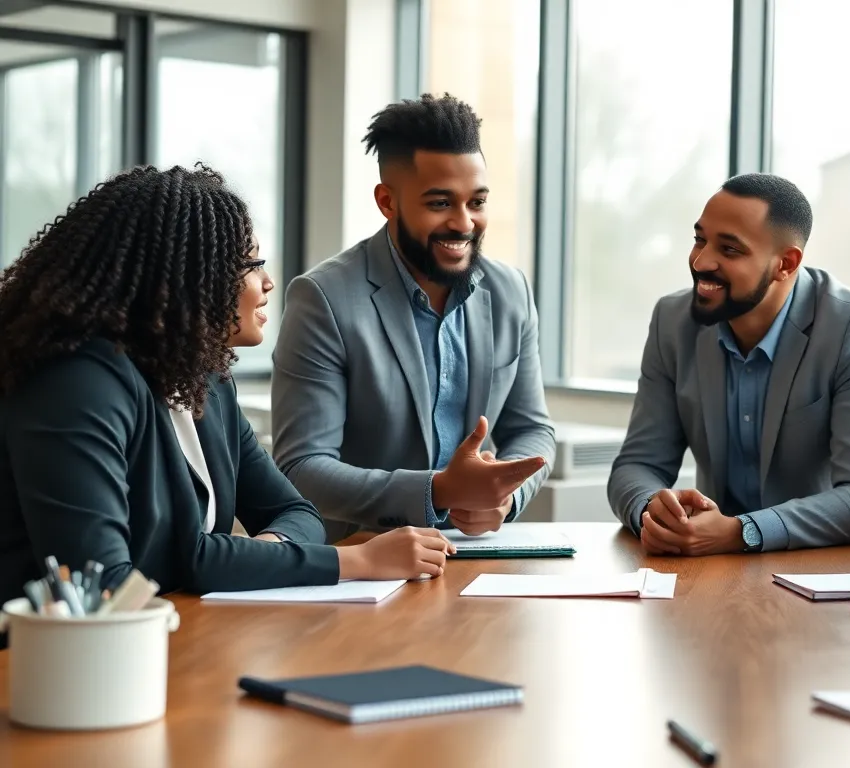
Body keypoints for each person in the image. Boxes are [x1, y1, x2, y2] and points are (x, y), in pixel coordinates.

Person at [0, 165, 452, 616]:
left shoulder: (206, 381)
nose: (268, 282)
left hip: (177, 638)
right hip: (42, 664)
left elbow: (297, 514)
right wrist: (355, 560)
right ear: (192, 276)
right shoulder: (77, 383)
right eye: (253, 264)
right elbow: (107, 585)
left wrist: (261, 557)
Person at [271, 93, 553, 543]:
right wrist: (436, 491)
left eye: (476, 202)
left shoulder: (510, 291)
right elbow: (302, 466)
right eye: (440, 203)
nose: (464, 223)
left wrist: (506, 498)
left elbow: (532, 429)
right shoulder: (323, 298)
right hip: (361, 563)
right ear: (387, 201)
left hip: (472, 555)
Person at [608, 173, 850, 555]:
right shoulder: (672, 320)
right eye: (700, 239)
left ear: (786, 263)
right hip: (708, 572)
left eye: (729, 250)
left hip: (813, 568)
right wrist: (653, 510)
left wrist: (740, 531)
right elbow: (636, 464)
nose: (701, 261)